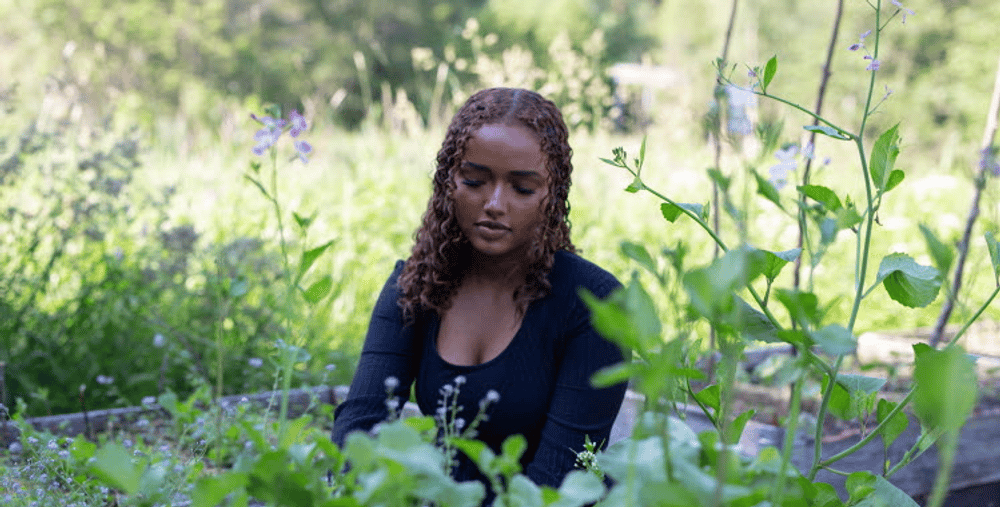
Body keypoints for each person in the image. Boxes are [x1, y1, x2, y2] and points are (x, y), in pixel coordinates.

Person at [332, 87, 627, 494]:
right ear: (448, 182)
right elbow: (357, 431)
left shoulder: (594, 306)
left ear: (552, 196)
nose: (494, 203)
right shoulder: (417, 285)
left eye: (522, 189)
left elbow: (560, 478)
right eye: (474, 181)